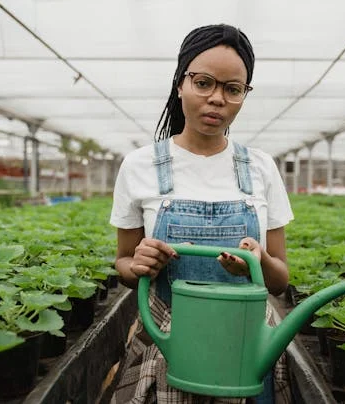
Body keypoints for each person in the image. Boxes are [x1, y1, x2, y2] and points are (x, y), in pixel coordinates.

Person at [110, 24, 294, 404]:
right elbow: (124, 264)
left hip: (244, 343)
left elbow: (279, 279)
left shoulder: (260, 168)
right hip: (168, 339)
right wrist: (142, 263)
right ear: (180, 84)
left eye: (233, 88)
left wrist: (257, 262)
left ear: (244, 94)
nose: (217, 99)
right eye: (204, 83)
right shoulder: (140, 165)